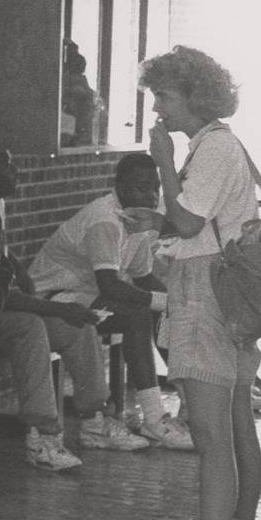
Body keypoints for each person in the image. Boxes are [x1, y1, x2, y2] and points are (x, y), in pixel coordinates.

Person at [135, 46, 261, 520]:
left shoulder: (209, 148)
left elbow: (188, 221)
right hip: (230, 295)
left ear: (192, 96)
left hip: (206, 295)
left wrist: (162, 162)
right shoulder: (220, 145)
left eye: (164, 96)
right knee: (234, 429)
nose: (158, 108)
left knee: (211, 437)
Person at [0, 130, 106, 472]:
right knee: (30, 327)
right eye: (7, 164)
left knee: (74, 326)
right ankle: (44, 439)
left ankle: (94, 420)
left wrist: (15, 263)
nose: (15, 172)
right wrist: (56, 307)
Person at [28, 153, 187, 450]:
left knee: (159, 309)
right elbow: (110, 286)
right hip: (52, 300)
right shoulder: (105, 219)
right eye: (142, 188)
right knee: (140, 313)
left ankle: (187, 396)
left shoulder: (137, 219)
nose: (152, 196)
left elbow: (142, 279)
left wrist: (175, 302)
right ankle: (154, 416)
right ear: (120, 186)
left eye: (156, 187)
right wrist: (163, 302)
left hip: (85, 295)